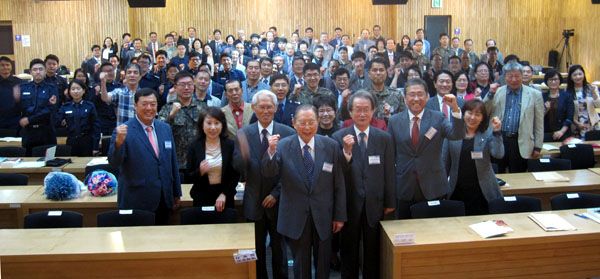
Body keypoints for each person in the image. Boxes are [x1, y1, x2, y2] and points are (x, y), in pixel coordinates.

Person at [262, 105, 346, 279]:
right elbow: (269, 173)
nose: (307, 127)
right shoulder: (283, 146)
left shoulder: (330, 146)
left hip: (324, 215)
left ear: (317, 122)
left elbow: (338, 183)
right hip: (295, 215)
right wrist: (270, 151)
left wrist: (339, 215)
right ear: (293, 123)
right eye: (302, 122)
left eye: (311, 122)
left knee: (323, 264)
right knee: (300, 265)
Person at [332, 90, 395, 279]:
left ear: (373, 110)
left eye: (366, 109)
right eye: (357, 110)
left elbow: (389, 173)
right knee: (349, 251)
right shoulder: (338, 137)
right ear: (350, 112)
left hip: (375, 204)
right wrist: (346, 152)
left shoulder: (384, 138)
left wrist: (390, 201)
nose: (362, 114)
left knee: (373, 251)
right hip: (349, 205)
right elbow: (336, 177)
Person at [234, 90, 294, 279]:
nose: (266, 110)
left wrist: (276, 194)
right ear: (254, 108)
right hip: (253, 201)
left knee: (279, 251)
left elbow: (292, 172)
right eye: (262, 107)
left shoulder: (287, 133)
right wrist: (243, 157)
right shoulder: (244, 133)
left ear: (276, 108)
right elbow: (238, 170)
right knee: (257, 251)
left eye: (269, 107)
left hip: (280, 202)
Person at [388, 78, 465, 219]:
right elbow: (390, 155)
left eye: (420, 94)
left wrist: (455, 109)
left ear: (427, 96)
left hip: (433, 185)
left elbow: (457, 135)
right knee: (406, 230)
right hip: (405, 185)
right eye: (411, 94)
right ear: (405, 98)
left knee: (434, 232)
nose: (416, 98)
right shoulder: (394, 121)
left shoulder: (438, 117)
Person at [108, 88, 182, 225]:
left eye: (153, 104)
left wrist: (176, 192)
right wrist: (119, 143)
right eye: (144, 104)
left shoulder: (164, 128)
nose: (149, 108)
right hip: (136, 199)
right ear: (135, 105)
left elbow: (172, 162)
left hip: (163, 199)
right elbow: (114, 162)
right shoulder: (124, 130)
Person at [483, 60, 543, 173]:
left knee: (518, 176)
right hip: (499, 139)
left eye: (517, 76)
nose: (514, 80)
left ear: (522, 76)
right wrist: (490, 94)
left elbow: (539, 123)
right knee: (498, 174)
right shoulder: (497, 91)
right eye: (510, 76)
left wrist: (538, 146)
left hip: (521, 141)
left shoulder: (535, 95)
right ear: (505, 77)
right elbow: (484, 112)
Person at [447, 99, 504, 215]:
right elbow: (444, 163)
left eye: (477, 114)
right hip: (457, 188)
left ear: (483, 118)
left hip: (482, 189)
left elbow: (498, 154)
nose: (472, 117)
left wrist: (497, 133)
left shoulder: (487, 133)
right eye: (469, 113)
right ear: (463, 113)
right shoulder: (452, 133)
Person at [186, 106, 240, 211]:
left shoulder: (230, 145)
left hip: (225, 197)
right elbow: (188, 177)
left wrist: (225, 194)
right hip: (201, 196)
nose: (213, 127)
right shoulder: (194, 146)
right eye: (209, 123)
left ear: (222, 125)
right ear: (202, 125)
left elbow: (235, 174)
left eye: (217, 123)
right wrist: (200, 171)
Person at [158, 71, 207, 176]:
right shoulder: (167, 108)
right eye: (182, 85)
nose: (186, 88)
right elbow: (159, 131)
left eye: (189, 84)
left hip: (199, 163)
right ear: (175, 87)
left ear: (194, 86)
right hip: (176, 164)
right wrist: (171, 115)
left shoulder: (203, 107)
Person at [18, 59, 59, 156]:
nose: (38, 72)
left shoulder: (52, 88)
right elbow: (20, 108)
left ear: (45, 71)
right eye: (35, 69)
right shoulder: (23, 88)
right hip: (29, 132)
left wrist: (29, 119)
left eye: (41, 69)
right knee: (27, 163)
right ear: (30, 72)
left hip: (46, 131)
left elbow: (50, 109)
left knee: (49, 163)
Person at [56, 79, 99, 156]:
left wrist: (95, 147)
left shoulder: (90, 106)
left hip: (86, 141)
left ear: (84, 91)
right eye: (73, 89)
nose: (76, 91)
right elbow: (56, 122)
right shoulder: (65, 106)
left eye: (78, 89)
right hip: (71, 141)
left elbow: (96, 127)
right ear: (69, 91)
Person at [566, 64, 600, 139]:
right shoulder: (567, 91)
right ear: (571, 77)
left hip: (592, 123)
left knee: (594, 147)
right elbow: (567, 111)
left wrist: (594, 93)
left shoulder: (591, 88)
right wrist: (576, 123)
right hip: (576, 124)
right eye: (575, 75)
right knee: (579, 148)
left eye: (580, 74)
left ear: (584, 75)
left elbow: (598, 105)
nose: (578, 77)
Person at [543, 69, 573, 142]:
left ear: (560, 81)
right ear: (546, 81)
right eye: (550, 79)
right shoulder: (541, 97)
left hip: (563, 133)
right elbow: (537, 118)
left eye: (556, 79)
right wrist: (545, 110)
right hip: (545, 133)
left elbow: (570, 117)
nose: (553, 82)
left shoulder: (567, 96)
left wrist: (561, 132)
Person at [0, 56, 22, 130]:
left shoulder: (19, 82)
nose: (5, 67)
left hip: (15, 120)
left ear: (11, 66)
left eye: (7, 65)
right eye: (2, 65)